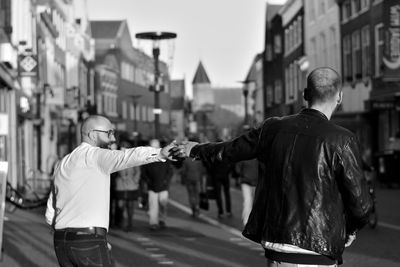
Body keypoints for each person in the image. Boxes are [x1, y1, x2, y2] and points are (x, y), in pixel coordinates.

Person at [174, 67, 372, 266]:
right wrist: (350, 229)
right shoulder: (342, 140)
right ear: (339, 97)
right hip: (318, 249)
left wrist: (195, 149)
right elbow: (361, 203)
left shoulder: (272, 128)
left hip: (277, 244)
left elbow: (230, 150)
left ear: (305, 94)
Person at [45, 115, 178, 267]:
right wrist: (160, 153)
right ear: (93, 134)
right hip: (88, 239)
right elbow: (127, 157)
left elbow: (50, 212)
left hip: (62, 242)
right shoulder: (96, 156)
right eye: (109, 133)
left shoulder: (63, 162)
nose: (113, 138)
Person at [141, 139, 174, 230]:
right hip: (152, 186)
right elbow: (143, 173)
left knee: (163, 204)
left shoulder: (165, 157)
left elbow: (170, 172)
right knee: (153, 205)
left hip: (163, 186)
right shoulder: (147, 158)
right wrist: (148, 181)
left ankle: (162, 220)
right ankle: (153, 222)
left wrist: (166, 181)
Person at [114, 140, 141, 231]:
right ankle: (120, 222)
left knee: (130, 205)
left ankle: (130, 223)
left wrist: (135, 180)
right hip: (121, 185)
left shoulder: (134, 159)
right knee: (120, 205)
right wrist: (122, 176)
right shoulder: (117, 158)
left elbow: (138, 171)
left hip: (131, 185)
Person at [180, 137, 208, 217]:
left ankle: (193, 209)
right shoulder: (199, 159)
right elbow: (202, 170)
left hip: (189, 178)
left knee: (191, 195)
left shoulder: (186, 159)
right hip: (197, 178)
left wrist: (183, 179)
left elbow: (183, 171)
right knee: (197, 194)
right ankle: (197, 208)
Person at [235, 158, 258, 226]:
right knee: (248, 201)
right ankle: (246, 220)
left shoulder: (257, 157)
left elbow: (237, 169)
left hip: (254, 182)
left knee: (251, 202)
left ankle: (248, 218)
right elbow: (237, 169)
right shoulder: (248, 157)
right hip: (247, 182)